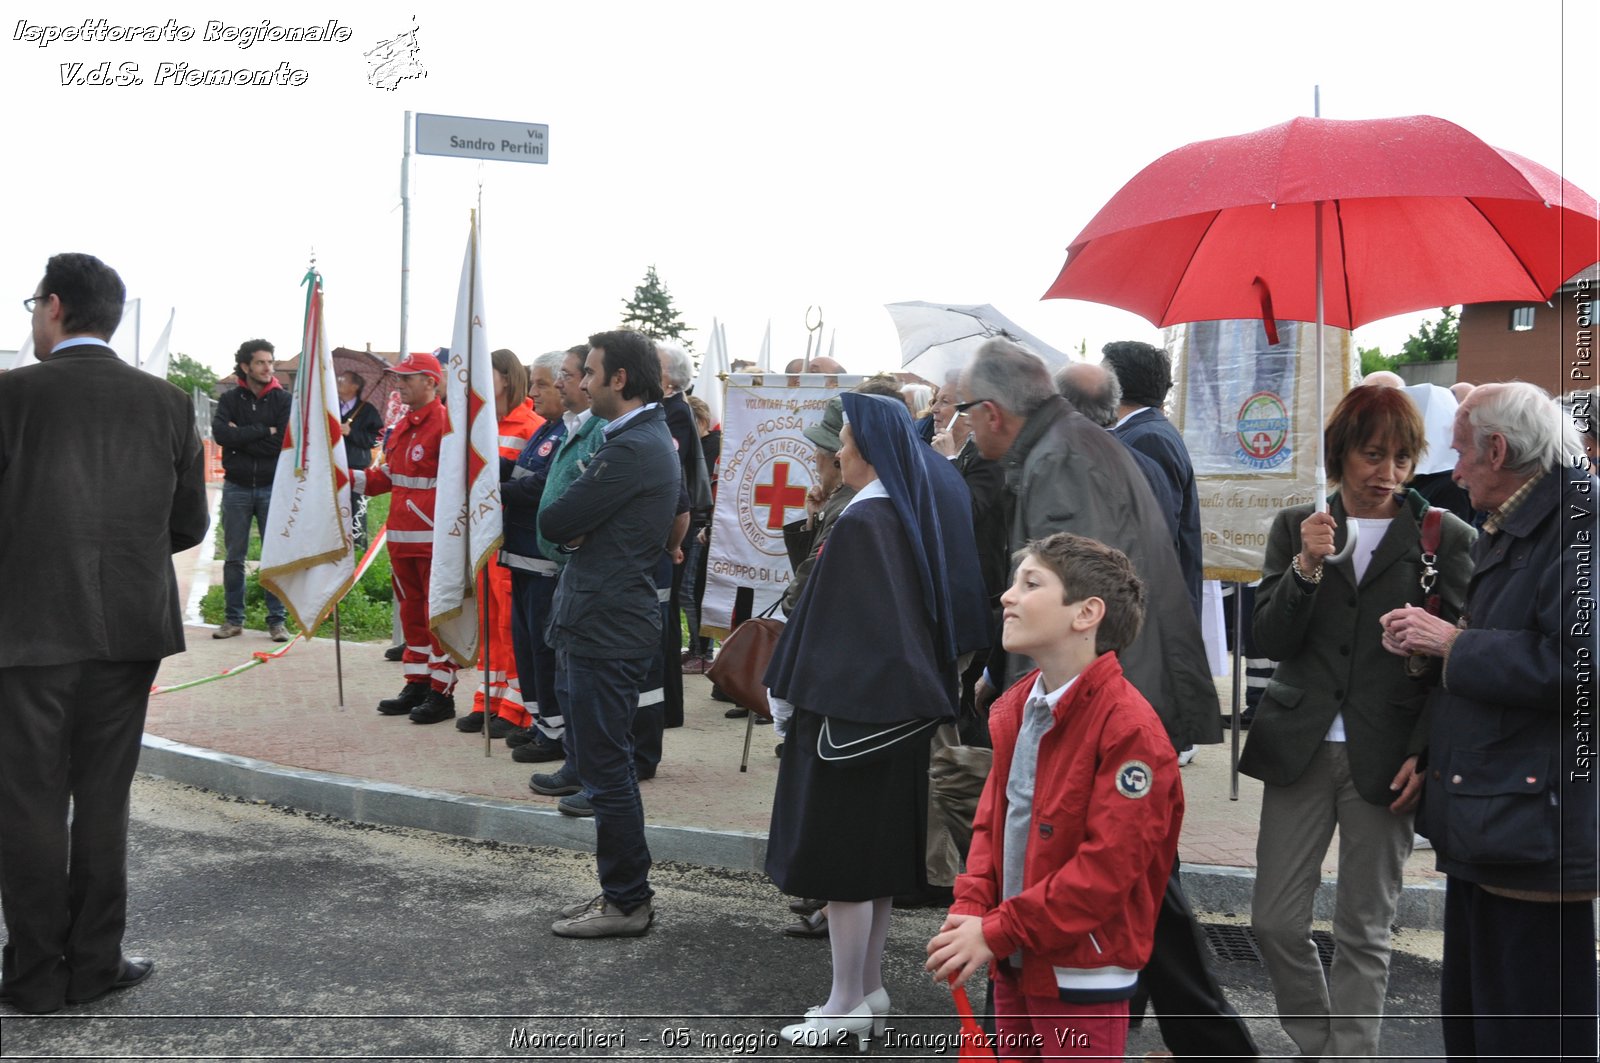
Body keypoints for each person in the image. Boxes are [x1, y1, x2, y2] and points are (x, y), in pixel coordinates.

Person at [960, 337, 1253, 1059]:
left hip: (1107, 703)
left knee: (1125, 882)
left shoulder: (1061, 457)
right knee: (1146, 895)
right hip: (1113, 693)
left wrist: (1023, 682)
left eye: (967, 413)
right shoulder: (1069, 442)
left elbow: (1070, 589)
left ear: (993, 412)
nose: (964, 427)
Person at [0, 252, 209, 1013]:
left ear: (54, 306)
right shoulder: (167, 403)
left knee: (26, 801)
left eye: (33, 304)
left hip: (25, 633)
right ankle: (94, 962)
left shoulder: (11, 394)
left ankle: (30, 974)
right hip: (128, 630)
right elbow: (189, 522)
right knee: (103, 799)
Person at [1242, 385, 1474, 1059]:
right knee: (1275, 920)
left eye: (1403, 457)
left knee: (1365, 930)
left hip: (1389, 754)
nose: (1390, 472)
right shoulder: (1297, 525)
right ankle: (1320, 1041)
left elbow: (1455, 663)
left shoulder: (1443, 534)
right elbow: (1270, 639)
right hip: (1300, 747)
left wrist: (1425, 752)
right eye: (1374, 454)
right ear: (1341, 452)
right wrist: (1307, 566)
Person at [764, 392, 989, 1051]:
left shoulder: (865, 523)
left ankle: (844, 1000)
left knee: (843, 868)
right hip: (895, 716)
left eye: (847, 442)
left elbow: (828, 628)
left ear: (869, 451)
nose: (836, 451)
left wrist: (785, 699)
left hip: (847, 718)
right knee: (874, 867)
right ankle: (865, 991)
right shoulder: (902, 507)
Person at [1380, 381, 1598, 1061]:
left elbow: (1580, 665)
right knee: (1478, 1020)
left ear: (1499, 449)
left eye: (1464, 452)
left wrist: (1453, 643)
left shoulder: (1579, 526)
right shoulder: (1527, 518)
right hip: (1497, 810)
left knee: (1528, 1029)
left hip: (1533, 823)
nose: (1455, 468)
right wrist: (1433, 749)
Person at [927, 534, 1182, 1060]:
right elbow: (992, 822)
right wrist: (973, 905)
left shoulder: (1130, 732)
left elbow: (1105, 872)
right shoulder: (1020, 707)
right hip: (1016, 958)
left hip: (1082, 972)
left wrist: (995, 929)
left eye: (1031, 583)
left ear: (1086, 613)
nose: (1007, 596)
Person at [539, 330, 680, 938]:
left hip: (606, 625)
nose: (584, 382)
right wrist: (578, 530)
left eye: (591, 372)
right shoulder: (630, 438)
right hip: (596, 617)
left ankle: (626, 901)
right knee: (603, 765)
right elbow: (566, 526)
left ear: (620, 379)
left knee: (605, 769)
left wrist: (578, 529)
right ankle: (623, 895)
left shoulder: (632, 447)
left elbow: (556, 517)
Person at [356, 351, 459, 724]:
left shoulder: (446, 424)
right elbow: (387, 478)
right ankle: (416, 682)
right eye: (397, 377)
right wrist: (343, 476)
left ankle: (441, 692)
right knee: (411, 615)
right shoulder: (400, 426)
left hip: (432, 539)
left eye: (407, 377)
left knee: (437, 618)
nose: (399, 384)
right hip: (401, 538)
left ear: (431, 382)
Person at [457, 349, 543, 738]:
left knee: (511, 626)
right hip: (483, 539)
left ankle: (518, 706)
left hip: (510, 538)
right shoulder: (482, 425)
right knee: (490, 622)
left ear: (506, 378)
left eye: (485, 373)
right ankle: (488, 699)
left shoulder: (530, 425)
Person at [501, 351, 573, 760]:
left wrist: (488, 490)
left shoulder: (568, 434)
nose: (533, 393)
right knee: (526, 648)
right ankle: (537, 721)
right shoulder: (545, 431)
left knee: (545, 652)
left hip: (545, 564)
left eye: (542, 384)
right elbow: (519, 474)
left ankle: (555, 733)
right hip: (521, 557)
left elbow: (540, 489)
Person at [1101, 341, 1203, 619]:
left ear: (1115, 386)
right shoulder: (1145, 430)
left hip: (1150, 615)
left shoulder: (1148, 438)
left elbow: (1150, 540)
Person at [212, 338, 292, 641]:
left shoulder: (283, 400)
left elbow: (282, 440)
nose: (268, 368)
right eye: (261, 362)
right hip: (237, 488)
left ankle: (277, 621)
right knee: (234, 556)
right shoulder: (231, 399)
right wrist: (263, 431)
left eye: (270, 362)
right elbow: (221, 435)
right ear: (246, 366)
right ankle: (233, 620)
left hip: (273, 487)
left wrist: (241, 436)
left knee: (275, 555)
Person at [337, 370, 385, 550]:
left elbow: (375, 439)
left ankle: (358, 547)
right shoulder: (332, 406)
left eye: (343, 379)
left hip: (356, 466)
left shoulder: (367, 411)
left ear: (355, 386)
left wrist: (351, 433)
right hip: (333, 465)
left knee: (356, 508)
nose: (338, 381)